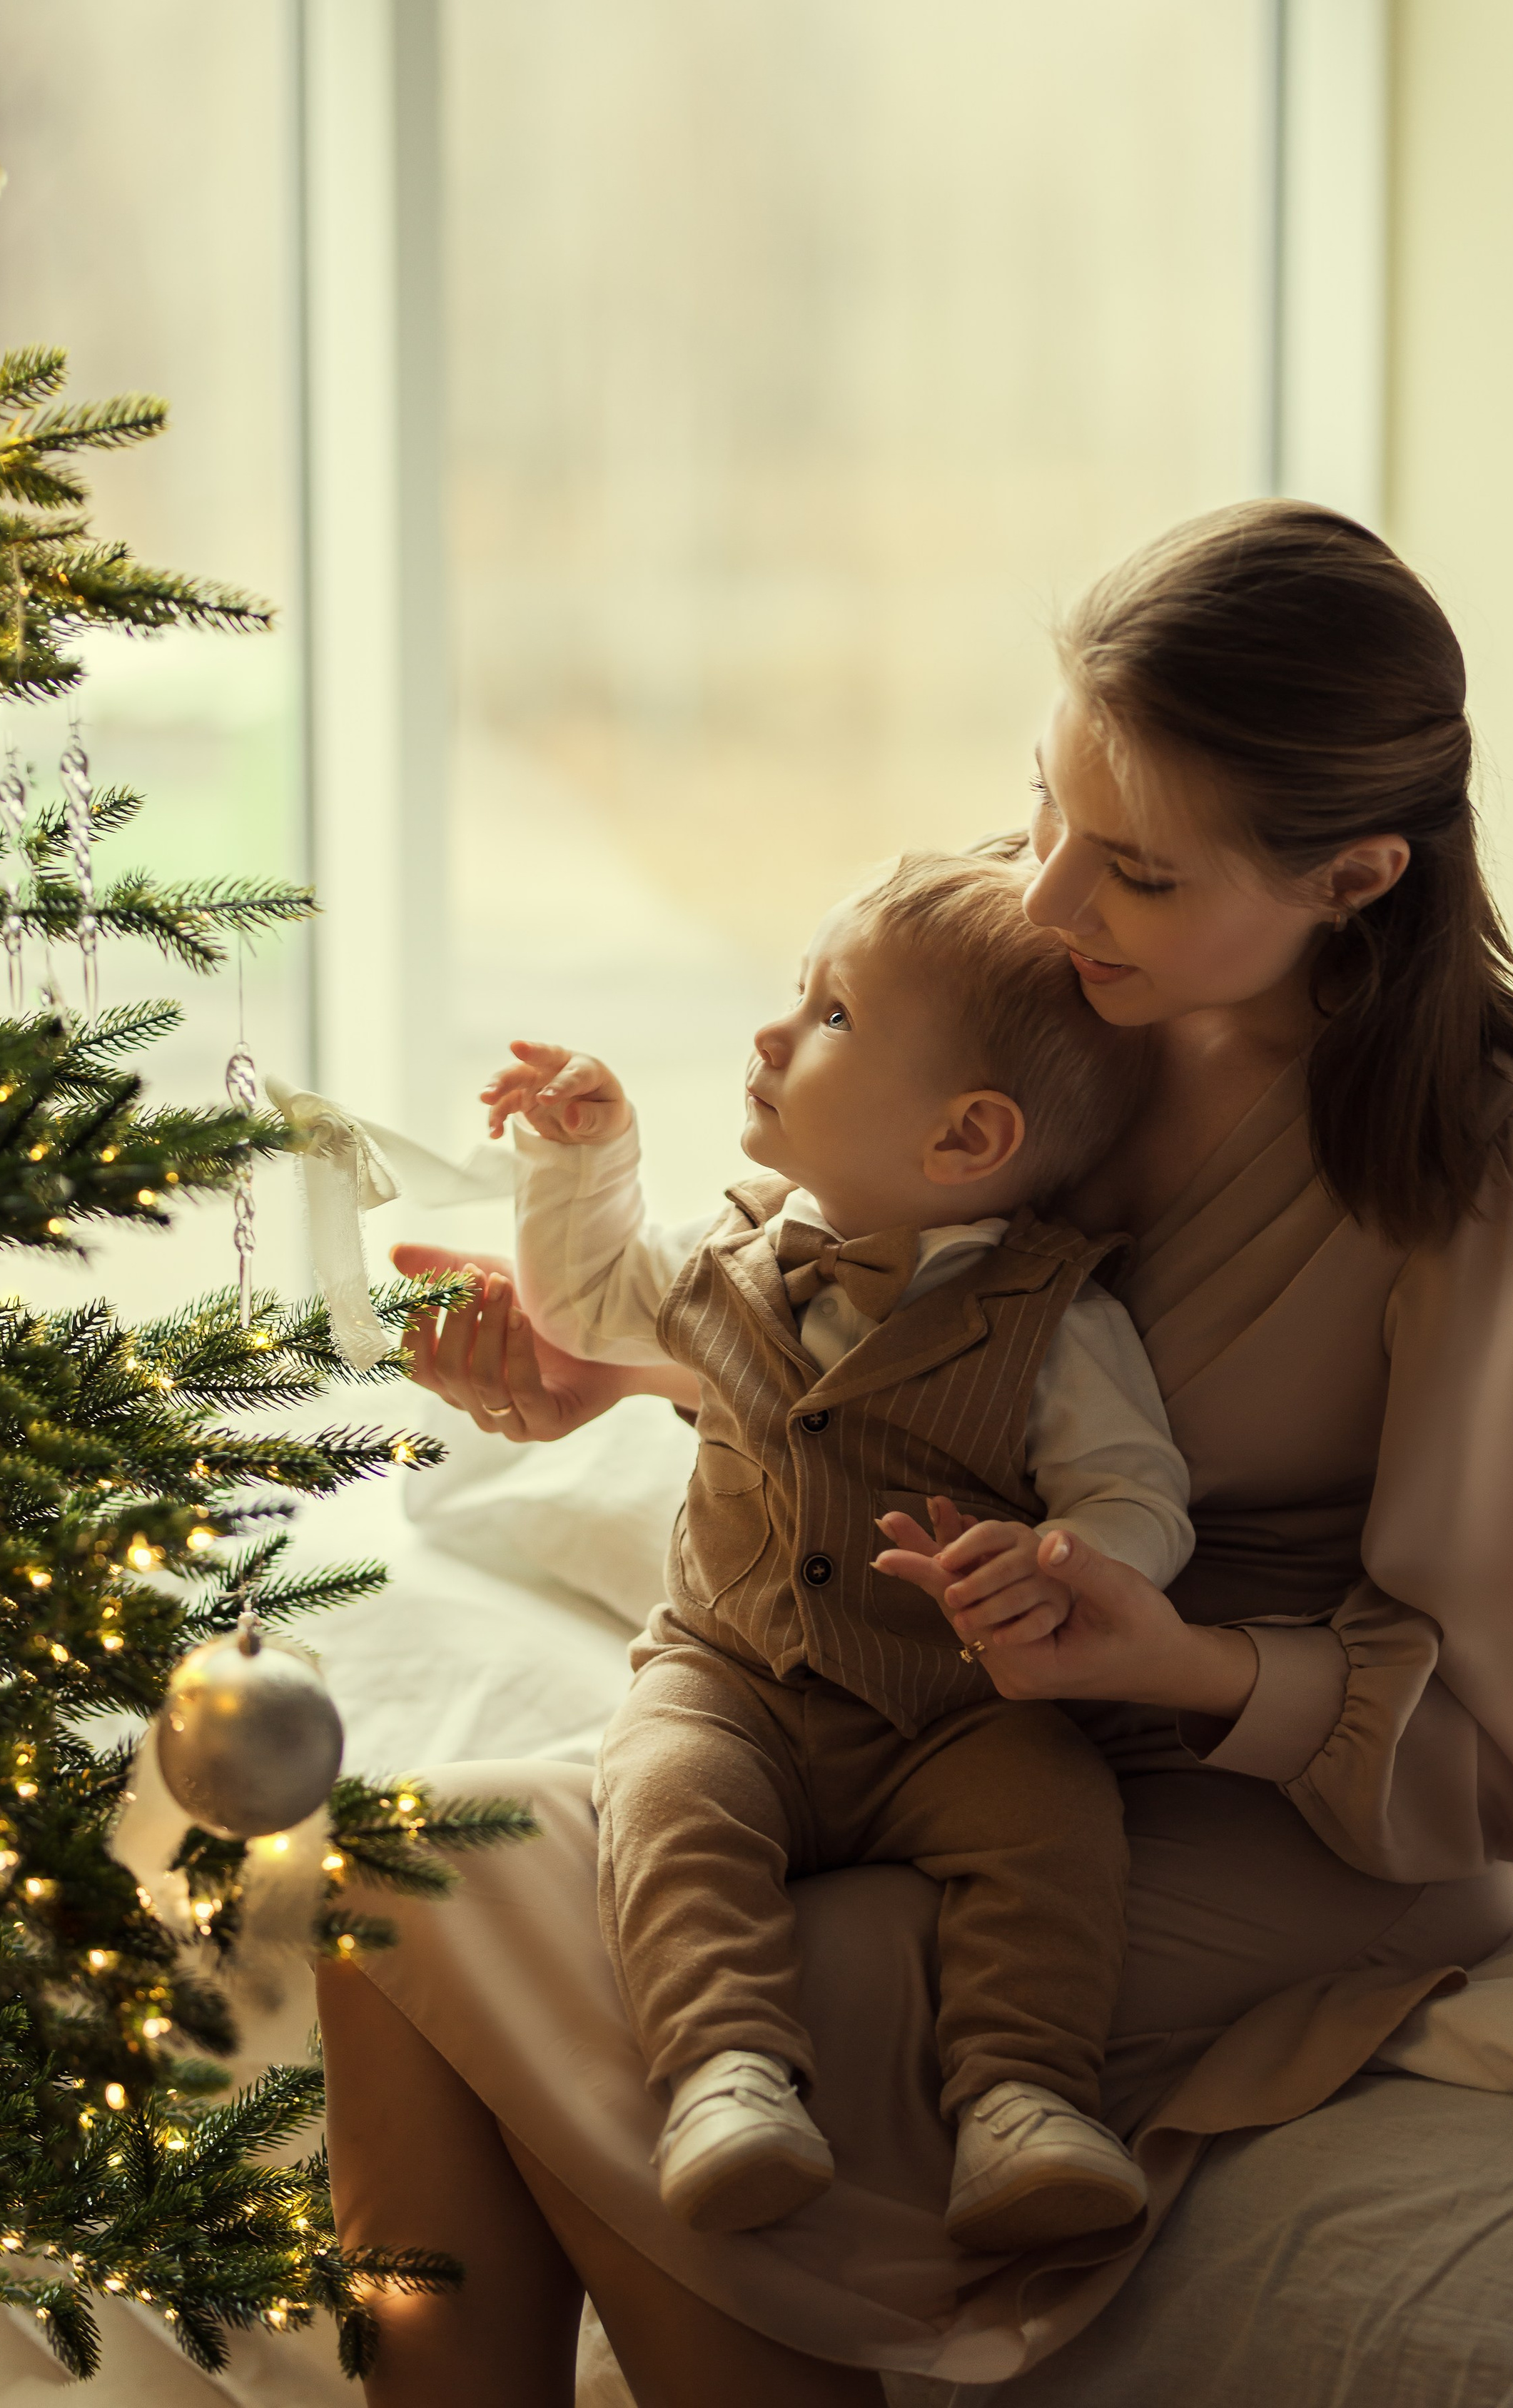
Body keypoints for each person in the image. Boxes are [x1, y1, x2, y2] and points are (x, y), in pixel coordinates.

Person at [318, 500, 1513, 2408]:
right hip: (904, 1693)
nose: (1045, 896)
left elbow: (1505, 1755)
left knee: (661, 2023)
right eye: (1044, 806)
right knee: (389, 1882)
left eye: (1136, 870)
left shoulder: (1500, 1177)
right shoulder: (1051, 987)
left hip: (1282, 1809)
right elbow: (868, 1305)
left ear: (1354, 876)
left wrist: (1169, 1662)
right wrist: (615, 1375)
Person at [487, 851, 1194, 2252]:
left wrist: (1055, 1559)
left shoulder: (1055, 1318)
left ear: (964, 1139)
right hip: (733, 1674)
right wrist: (585, 1157)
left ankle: (1023, 2100)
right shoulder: (730, 1256)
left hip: (950, 1705)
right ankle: (728, 2074)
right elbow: (585, 1301)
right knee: (663, 1793)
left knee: (1057, 1820)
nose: (770, 1033)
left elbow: (1139, 1498)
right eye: (797, 994)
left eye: (830, 1016)